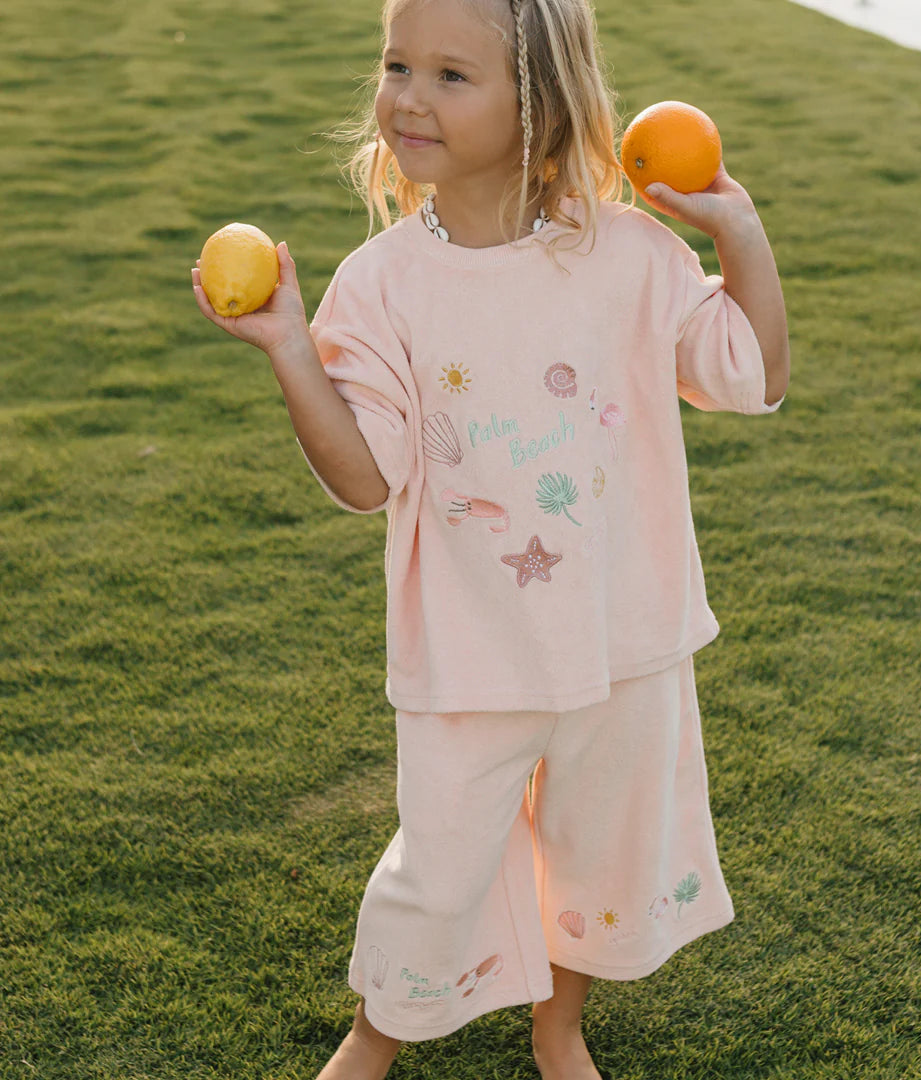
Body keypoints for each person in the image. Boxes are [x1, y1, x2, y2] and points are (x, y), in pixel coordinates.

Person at [192, 0, 789, 1075]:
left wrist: (734, 230)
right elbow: (366, 479)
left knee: (601, 860)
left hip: (625, 638)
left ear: (538, 105)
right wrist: (290, 346)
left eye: (451, 76)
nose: (409, 96)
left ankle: (559, 1025)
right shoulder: (379, 286)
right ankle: (372, 1041)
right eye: (396, 64)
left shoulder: (630, 255)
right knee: (441, 868)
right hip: (471, 649)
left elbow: (753, 370)